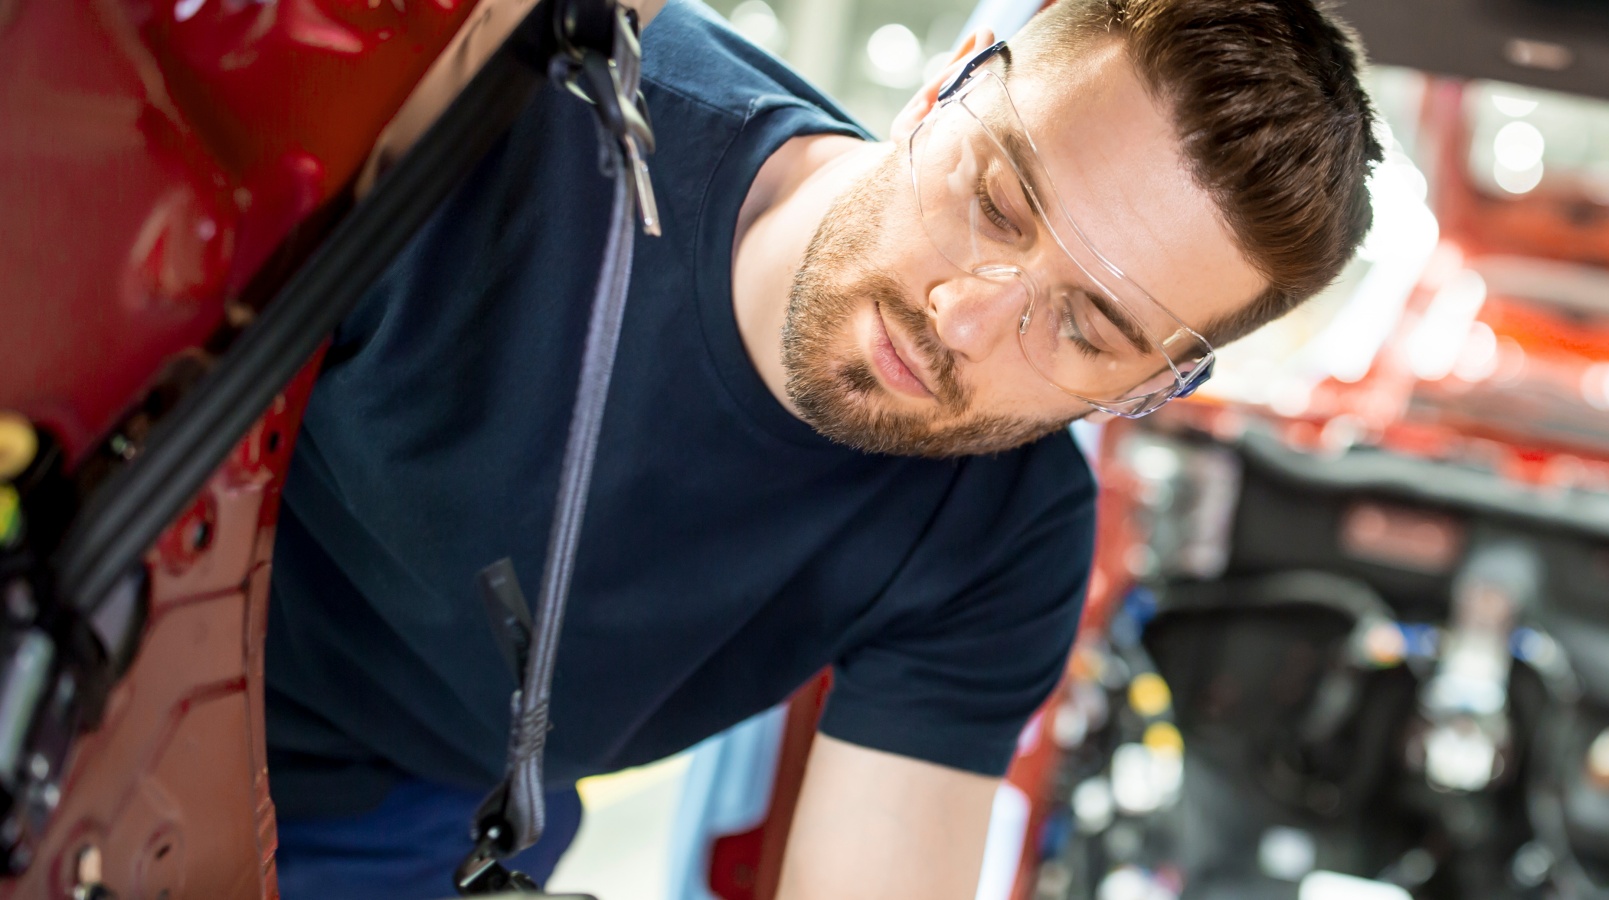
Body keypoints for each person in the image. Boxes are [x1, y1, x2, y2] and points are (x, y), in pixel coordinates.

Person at [261, 0, 1380, 894]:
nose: (965, 316)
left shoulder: (1005, 534)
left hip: (411, 833)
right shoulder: (541, 93)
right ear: (946, 82)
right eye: (996, 199)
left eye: (1085, 328)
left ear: (1147, 386)